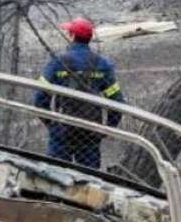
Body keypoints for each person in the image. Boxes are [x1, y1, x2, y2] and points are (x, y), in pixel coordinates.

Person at [34, 18, 125, 168]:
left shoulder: (58, 62)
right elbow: (117, 101)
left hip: (62, 130)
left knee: (55, 174)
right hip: (90, 132)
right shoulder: (102, 64)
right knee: (89, 177)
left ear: (72, 36)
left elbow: (39, 98)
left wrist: (51, 124)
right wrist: (107, 128)